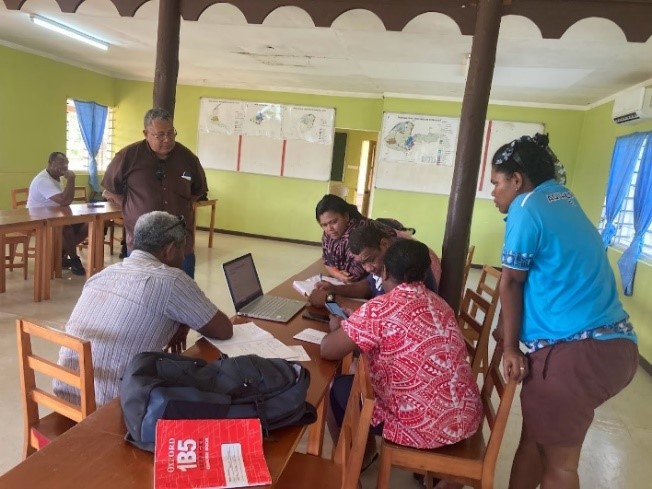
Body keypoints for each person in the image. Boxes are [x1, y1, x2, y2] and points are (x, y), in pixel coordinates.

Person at [490, 133, 638, 489]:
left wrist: (510, 348)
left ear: (517, 180)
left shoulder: (527, 208)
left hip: (576, 352)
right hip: (611, 346)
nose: (494, 192)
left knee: (559, 466)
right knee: (534, 441)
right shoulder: (563, 199)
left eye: (496, 183)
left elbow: (511, 282)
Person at [320, 239, 482, 485]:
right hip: (465, 420)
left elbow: (328, 350)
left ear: (385, 271)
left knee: (339, 389)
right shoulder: (441, 305)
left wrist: (337, 327)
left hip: (422, 429)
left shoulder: (379, 309)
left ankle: (354, 467)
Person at [54, 211, 233, 407]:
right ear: (170, 249)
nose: (184, 257)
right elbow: (223, 330)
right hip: (112, 404)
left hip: (66, 394)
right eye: (183, 250)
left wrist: (181, 320)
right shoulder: (172, 281)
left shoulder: (105, 273)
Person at [102, 108, 208, 278]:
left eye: (171, 133)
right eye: (160, 135)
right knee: (141, 293)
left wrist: (180, 203)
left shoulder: (187, 158)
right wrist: (128, 205)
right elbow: (110, 189)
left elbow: (197, 191)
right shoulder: (128, 156)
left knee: (183, 292)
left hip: (180, 243)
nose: (167, 139)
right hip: (141, 245)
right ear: (146, 133)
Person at [309, 224, 441, 306]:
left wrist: (331, 299)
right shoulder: (384, 258)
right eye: (361, 263)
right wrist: (335, 289)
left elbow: (383, 313)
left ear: (384, 244)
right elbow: (369, 285)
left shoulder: (402, 262)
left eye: (370, 259)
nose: (368, 268)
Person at [26, 151, 87, 275]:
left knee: (88, 225)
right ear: (50, 164)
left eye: (66, 163)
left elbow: (65, 201)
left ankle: (60, 253)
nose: (64, 166)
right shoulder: (43, 180)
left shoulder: (57, 178)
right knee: (66, 229)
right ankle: (74, 259)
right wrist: (71, 179)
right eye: (61, 163)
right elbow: (65, 200)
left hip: (54, 216)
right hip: (38, 219)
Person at [316, 194, 371, 283]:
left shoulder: (360, 234)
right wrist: (337, 274)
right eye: (324, 225)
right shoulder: (328, 236)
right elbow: (326, 261)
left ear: (346, 216)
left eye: (334, 222)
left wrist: (340, 276)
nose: (329, 229)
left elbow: (356, 276)